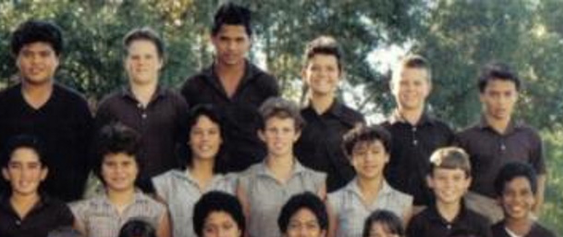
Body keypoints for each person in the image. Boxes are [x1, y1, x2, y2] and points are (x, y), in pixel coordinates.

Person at [0, 20, 93, 202]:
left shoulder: (76, 106)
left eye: (44, 54)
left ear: (57, 59)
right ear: (17, 59)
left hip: (63, 211)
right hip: (8, 212)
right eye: (28, 54)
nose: (36, 61)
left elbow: (84, 164)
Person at [180, 2, 280, 174]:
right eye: (225, 39)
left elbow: (277, 136)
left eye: (239, 40)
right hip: (208, 181)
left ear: (250, 41)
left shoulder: (266, 85)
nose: (232, 47)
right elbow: (182, 140)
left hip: (255, 179)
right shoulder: (194, 87)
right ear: (213, 39)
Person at [71, 123, 171, 237]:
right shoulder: (82, 212)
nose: (118, 171)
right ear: (100, 168)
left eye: (126, 163)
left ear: (137, 166)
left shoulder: (156, 211)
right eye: (110, 164)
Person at [237, 97, 330, 237]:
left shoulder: (316, 181)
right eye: (273, 130)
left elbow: (321, 234)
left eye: (286, 130)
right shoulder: (246, 180)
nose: (279, 136)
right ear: (262, 134)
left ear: (296, 134)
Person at [95, 27, 189, 192]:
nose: (141, 62)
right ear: (126, 62)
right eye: (135, 57)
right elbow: (96, 156)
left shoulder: (177, 104)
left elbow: (188, 151)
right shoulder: (109, 106)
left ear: (160, 62)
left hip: (168, 196)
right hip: (123, 196)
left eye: (148, 57)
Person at [153, 105, 239, 237]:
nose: (205, 139)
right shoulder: (167, 184)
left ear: (221, 138)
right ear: (188, 138)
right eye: (198, 132)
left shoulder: (234, 183)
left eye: (212, 132)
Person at [456, 63, 547, 223]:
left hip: (518, 214)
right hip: (476, 215)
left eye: (507, 94)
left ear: (516, 95)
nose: (501, 101)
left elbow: (539, 177)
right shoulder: (465, 138)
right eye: (494, 94)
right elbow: (455, 182)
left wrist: (532, 214)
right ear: (482, 96)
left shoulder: (530, 136)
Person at [404, 147, 493, 237]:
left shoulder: (480, 224)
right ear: (430, 180)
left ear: (467, 182)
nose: (449, 184)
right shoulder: (418, 223)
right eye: (442, 178)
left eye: (456, 178)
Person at [329, 125, 413, 237]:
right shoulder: (334, 201)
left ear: (387, 156)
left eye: (375, 152)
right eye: (361, 153)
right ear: (350, 158)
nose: (368, 159)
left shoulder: (404, 203)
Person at [384, 54, 455, 211]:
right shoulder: (380, 132)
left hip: (434, 215)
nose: (410, 88)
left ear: (428, 87)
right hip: (391, 216)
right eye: (403, 83)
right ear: (392, 87)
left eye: (417, 83)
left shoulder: (443, 132)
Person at [295, 36, 366, 192]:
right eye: (315, 68)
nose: (322, 74)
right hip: (299, 203)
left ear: (340, 75)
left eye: (330, 69)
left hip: (344, 203)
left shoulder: (355, 121)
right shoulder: (292, 119)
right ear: (304, 73)